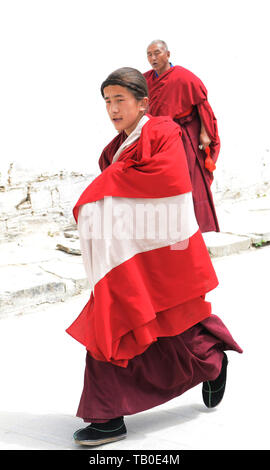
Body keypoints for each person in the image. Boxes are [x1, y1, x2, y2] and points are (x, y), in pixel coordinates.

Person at [66, 67, 242, 447]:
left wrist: (105, 190)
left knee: (175, 327)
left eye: (119, 100)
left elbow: (167, 182)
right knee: (117, 325)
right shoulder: (115, 148)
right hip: (127, 256)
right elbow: (117, 197)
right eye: (107, 102)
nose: (112, 109)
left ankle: (212, 363)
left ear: (143, 102)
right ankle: (107, 415)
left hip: (165, 252)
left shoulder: (163, 132)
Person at [144, 40, 220, 233]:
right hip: (161, 136)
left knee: (192, 179)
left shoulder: (184, 77)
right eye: (149, 54)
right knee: (166, 180)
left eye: (157, 53)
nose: (153, 58)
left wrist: (205, 133)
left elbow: (202, 105)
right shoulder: (146, 80)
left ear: (168, 54)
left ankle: (203, 227)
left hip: (186, 134)